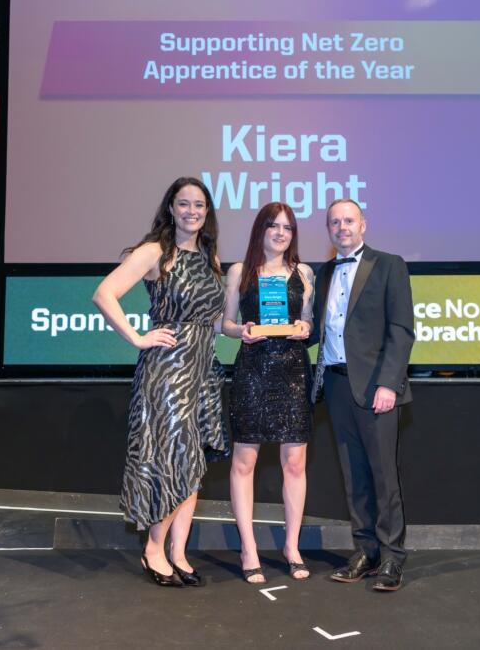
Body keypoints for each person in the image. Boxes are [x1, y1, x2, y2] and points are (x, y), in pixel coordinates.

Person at [92, 176, 229, 587]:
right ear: (171, 208)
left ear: (207, 212)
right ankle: (154, 549)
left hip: (203, 371)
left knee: (193, 463)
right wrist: (137, 337)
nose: (192, 211)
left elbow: (211, 320)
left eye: (199, 205)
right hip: (167, 372)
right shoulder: (155, 251)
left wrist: (243, 330)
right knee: (173, 459)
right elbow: (104, 293)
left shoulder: (210, 255)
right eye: (184, 203)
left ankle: (178, 552)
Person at [310, 198, 414, 592]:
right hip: (336, 385)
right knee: (353, 476)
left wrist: (389, 384)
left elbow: (401, 330)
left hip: (376, 388)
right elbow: (317, 329)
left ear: (363, 224)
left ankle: (392, 557)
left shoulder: (388, 265)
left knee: (384, 476)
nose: (342, 228)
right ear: (329, 230)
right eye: (334, 222)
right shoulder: (324, 273)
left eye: (349, 220)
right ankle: (366, 550)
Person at [221, 203, 315, 584]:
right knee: (244, 463)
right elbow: (225, 323)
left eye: (288, 227)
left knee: (295, 463)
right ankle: (249, 549)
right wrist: (240, 331)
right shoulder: (239, 272)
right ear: (260, 229)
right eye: (273, 226)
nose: (280, 233)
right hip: (253, 372)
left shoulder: (304, 273)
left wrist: (305, 328)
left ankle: (292, 547)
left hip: (293, 373)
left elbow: (307, 319)